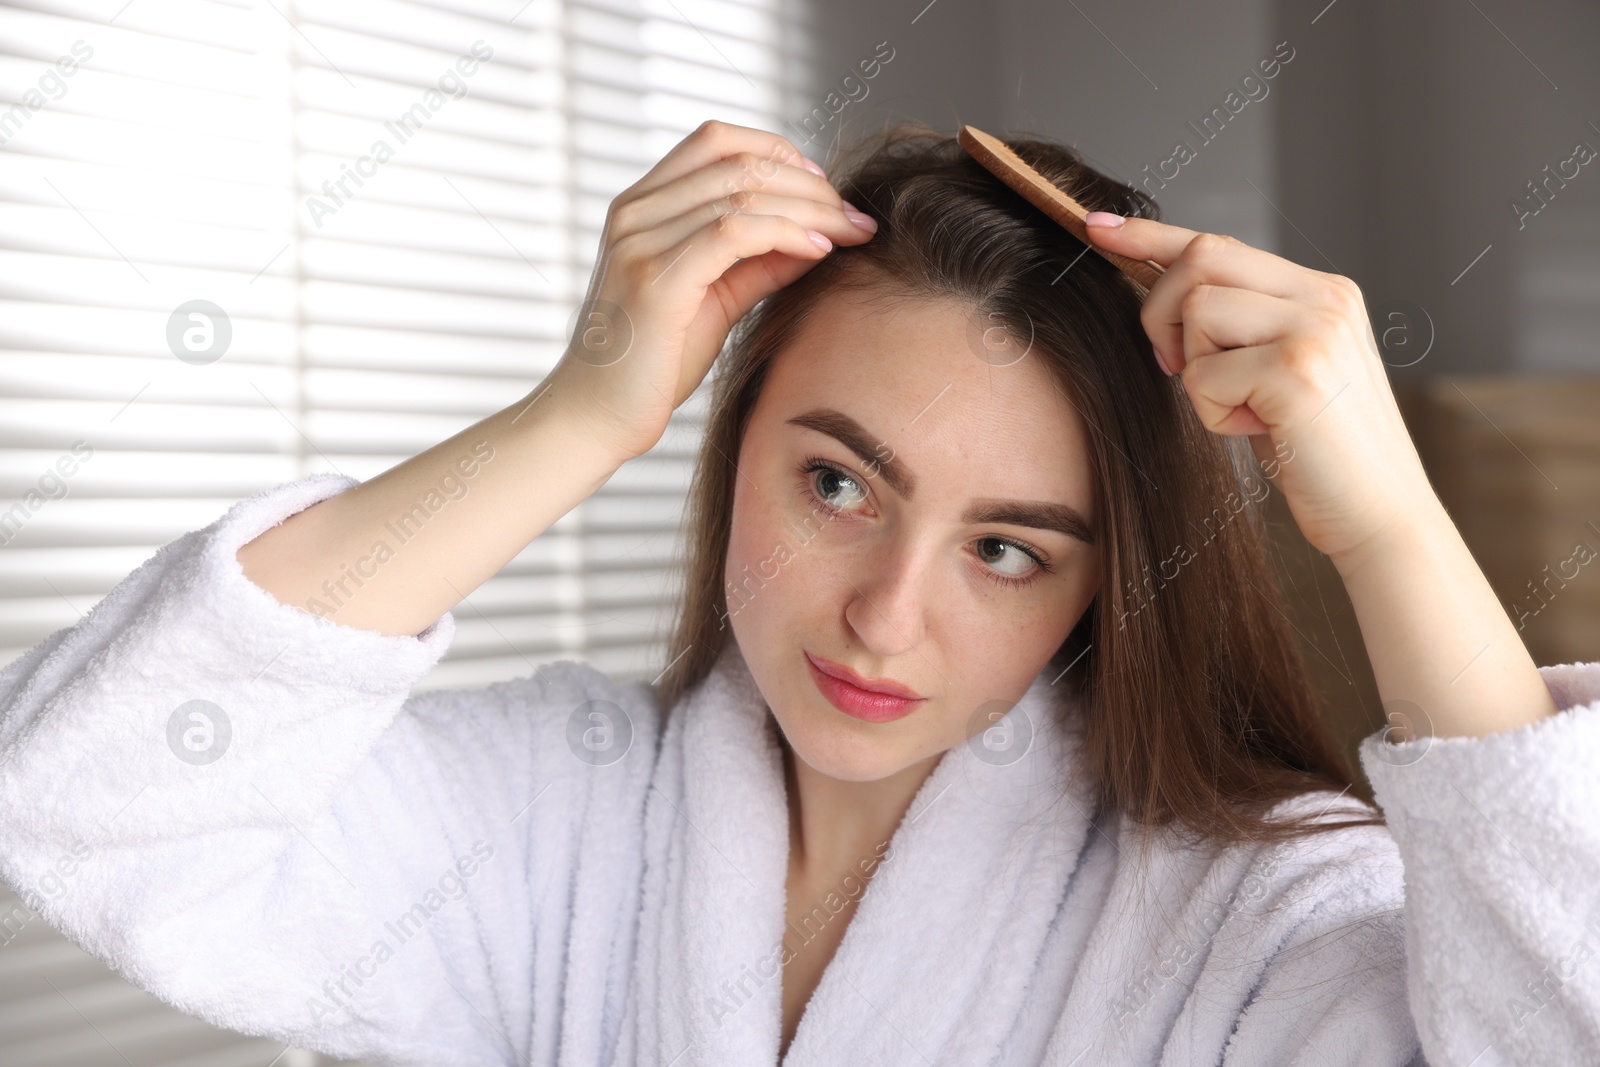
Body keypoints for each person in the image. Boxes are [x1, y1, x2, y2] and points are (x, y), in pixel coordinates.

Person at [0, 119, 1596, 1067]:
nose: (884, 619)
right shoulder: (562, 812)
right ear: (734, 440)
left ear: (1106, 588)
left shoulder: (1243, 917)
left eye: (1009, 549)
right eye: (838, 484)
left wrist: (1388, 525)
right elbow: (96, 797)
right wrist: (584, 410)